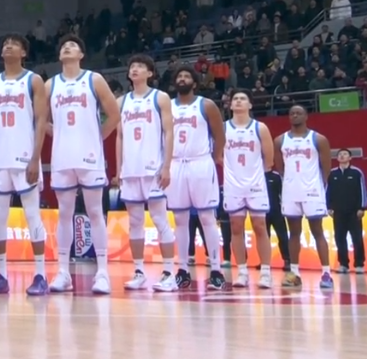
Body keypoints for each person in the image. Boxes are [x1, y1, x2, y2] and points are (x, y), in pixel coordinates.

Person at [45, 34, 119, 294]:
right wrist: (56, 133)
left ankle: (102, 273)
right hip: (62, 157)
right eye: (64, 45)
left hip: (90, 157)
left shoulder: (93, 79)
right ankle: (63, 272)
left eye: (73, 45)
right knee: (64, 213)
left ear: (81, 55)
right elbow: (38, 118)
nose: (67, 47)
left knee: (95, 212)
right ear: (59, 55)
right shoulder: (50, 84)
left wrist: (96, 137)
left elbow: (114, 114)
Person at [0, 35, 49, 296]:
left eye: (14, 43)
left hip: (24, 157)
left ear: (24, 53)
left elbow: (40, 121)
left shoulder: (33, 80)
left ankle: (41, 275)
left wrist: (35, 158)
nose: (8, 45)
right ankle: (1, 276)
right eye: (5, 43)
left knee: (32, 216)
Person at [115, 54, 176, 292]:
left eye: (140, 66)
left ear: (150, 73)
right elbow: (119, 137)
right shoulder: (121, 102)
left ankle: (169, 273)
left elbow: (168, 133)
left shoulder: (160, 98)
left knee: (160, 220)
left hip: (153, 169)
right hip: (131, 170)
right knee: (135, 222)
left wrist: (167, 165)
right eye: (132, 66)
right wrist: (119, 169)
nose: (135, 69)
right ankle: (139, 272)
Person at [166, 68, 227, 291]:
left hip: (200, 162)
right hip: (175, 163)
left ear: (194, 82)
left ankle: (216, 271)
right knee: (180, 219)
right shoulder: (166, 105)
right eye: (179, 76)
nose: (182, 79)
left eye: (186, 76)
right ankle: (182, 270)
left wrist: (216, 156)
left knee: (207, 217)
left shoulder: (206, 105)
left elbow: (220, 135)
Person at [275, 104, 333, 290]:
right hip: (291, 190)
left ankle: (326, 273)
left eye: (299, 113)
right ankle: (294, 273)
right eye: (292, 113)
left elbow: (326, 169)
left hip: (312, 190)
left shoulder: (318, 139)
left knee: (317, 231)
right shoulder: (280, 140)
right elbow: (280, 168)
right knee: (294, 232)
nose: (295, 115)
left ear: (306, 116)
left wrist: (318, 186)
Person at [222, 89, 275, 289]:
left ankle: (266, 272)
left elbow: (269, 158)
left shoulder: (260, 128)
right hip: (233, 184)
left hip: (255, 184)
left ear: (250, 104)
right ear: (230, 104)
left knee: (260, 226)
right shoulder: (223, 128)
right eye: (235, 98)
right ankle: (242, 272)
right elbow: (217, 155)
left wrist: (254, 174)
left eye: (243, 99)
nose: (238, 101)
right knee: (236, 227)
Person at [326, 148, 367, 274]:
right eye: (340, 154)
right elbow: (328, 191)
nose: (342, 156)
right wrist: (329, 207)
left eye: (345, 154)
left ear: (350, 158)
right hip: (338, 212)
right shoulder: (332, 173)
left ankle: (359, 264)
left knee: (357, 238)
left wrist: (361, 207)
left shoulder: (356, 172)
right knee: (340, 238)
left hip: (354, 212)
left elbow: (362, 190)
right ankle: (343, 264)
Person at [264, 168, 291, 271]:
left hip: (277, 211)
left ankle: (287, 260)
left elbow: (282, 193)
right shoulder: (258, 175)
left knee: (282, 236)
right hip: (263, 211)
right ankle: (264, 262)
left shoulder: (276, 176)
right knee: (264, 237)